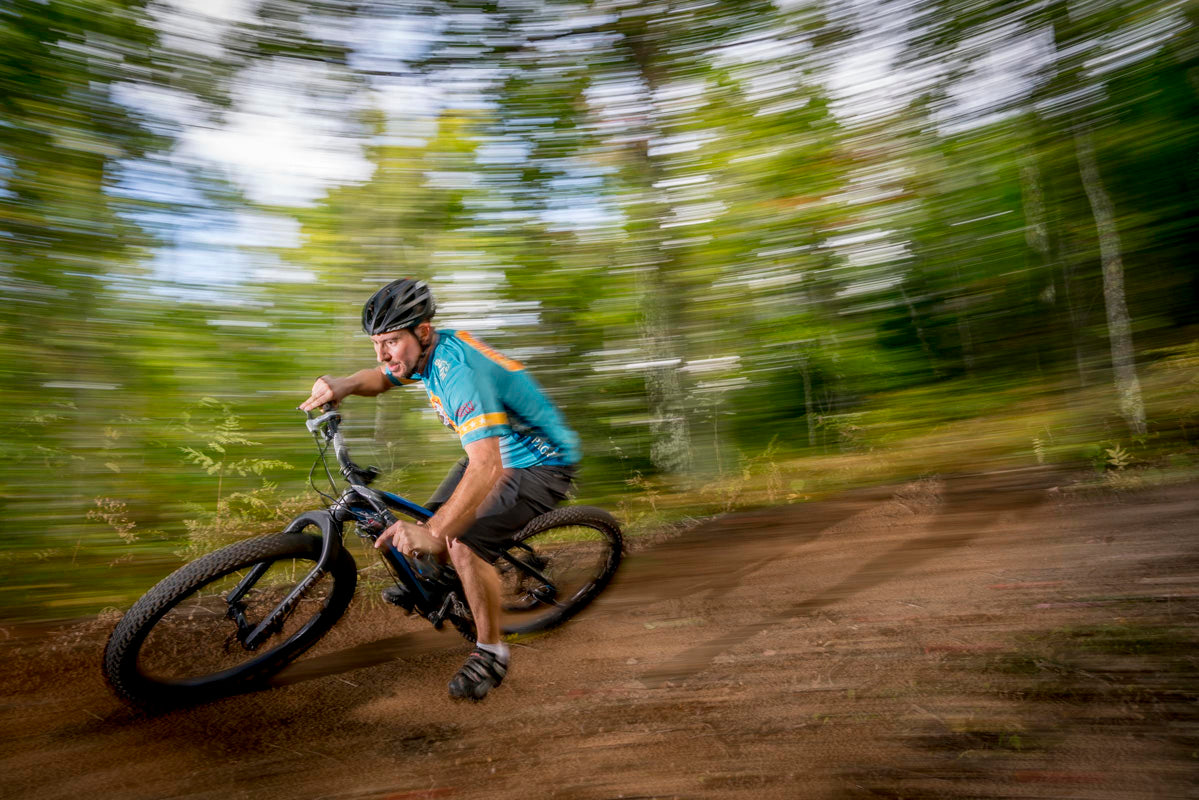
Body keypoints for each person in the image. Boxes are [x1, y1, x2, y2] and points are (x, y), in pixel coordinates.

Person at [299, 278, 580, 701]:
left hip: (540, 461)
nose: (383, 353)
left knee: (458, 539)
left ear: (423, 331)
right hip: (497, 449)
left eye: (390, 341)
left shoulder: (456, 372)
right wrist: (342, 384)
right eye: (377, 342)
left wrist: (438, 534)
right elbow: (380, 377)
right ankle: (444, 578)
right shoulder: (422, 355)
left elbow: (488, 466)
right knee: (432, 517)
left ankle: (491, 652)